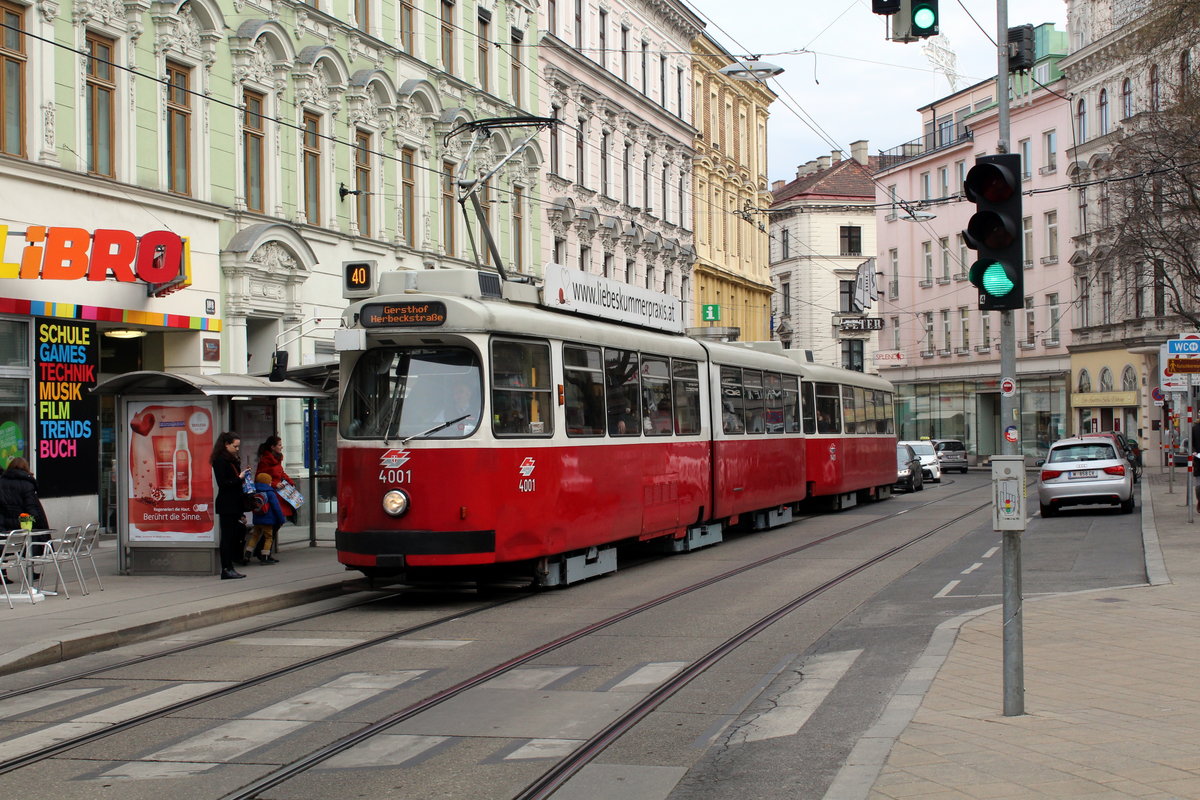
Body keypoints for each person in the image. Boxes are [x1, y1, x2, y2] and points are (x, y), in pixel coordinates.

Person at [0, 457, 49, 584]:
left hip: (4, 523)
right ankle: (30, 572)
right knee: (28, 543)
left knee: (5, 547)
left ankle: (2, 574)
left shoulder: (1, 482)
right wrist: (29, 522)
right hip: (21, 524)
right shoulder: (27, 484)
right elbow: (31, 508)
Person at [210, 431, 249, 580]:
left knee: (233, 535)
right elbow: (223, 483)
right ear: (226, 445)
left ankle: (231, 566)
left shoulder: (232, 460)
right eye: (235, 446)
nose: (237, 449)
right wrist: (239, 478)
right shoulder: (220, 460)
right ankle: (226, 568)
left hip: (235, 503)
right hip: (227, 503)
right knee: (227, 537)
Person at [255, 436, 294, 548]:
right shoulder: (265, 461)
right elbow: (260, 477)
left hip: (279, 493)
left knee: (278, 521)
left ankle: (264, 549)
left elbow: (281, 473)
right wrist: (274, 484)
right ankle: (262, 549)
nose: (282, 447)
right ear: (273, 447)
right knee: (275, 521)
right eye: (279, 445)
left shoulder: (277, 459)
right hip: (271, 494)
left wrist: (291, 482)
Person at [245, 473, 283, 565]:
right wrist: (281, 519)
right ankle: (265, 556)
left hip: (257, 520)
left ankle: (247, 554)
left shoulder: (254, 492)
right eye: (270, 481)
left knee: (255, 536)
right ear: (267, 482)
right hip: (268, 520)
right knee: (268, 538)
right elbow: (276, 507)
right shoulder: (270, 493)